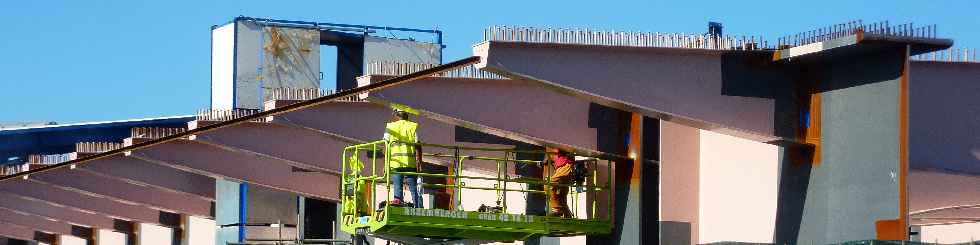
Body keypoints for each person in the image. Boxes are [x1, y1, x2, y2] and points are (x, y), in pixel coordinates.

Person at [385, 109, 423, 208]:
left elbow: (385, 144)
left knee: (397, 186)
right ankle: (418, 207)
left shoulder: (390, 127)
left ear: (396, 115)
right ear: (406, 115)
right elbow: (418, 145)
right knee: (414, 187)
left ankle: (399, 206)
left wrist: (385, 163)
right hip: (409, 163)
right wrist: (419, 162)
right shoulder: (412, 126)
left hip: (395, 163)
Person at [546, 147, 574, 218]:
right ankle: (568, 217)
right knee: (561, 196)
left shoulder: (554, 144)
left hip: (565, 165)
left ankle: (557, 210)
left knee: (549, 185)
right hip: (562, 167)